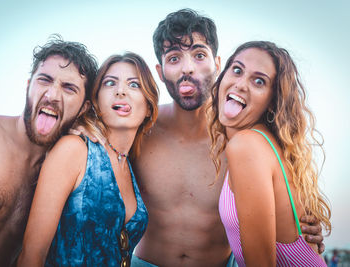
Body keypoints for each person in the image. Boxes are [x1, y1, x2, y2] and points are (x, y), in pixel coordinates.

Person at [130, 9, 326, 267]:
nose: (188, 68)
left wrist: (305, 227)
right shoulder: (139, 129)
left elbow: (287, 200)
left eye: (199, 55)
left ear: (218, 63)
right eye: (174, 58)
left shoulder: (243, 136)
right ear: (160, 70)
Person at [0, 36, 98, 266]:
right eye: (44, 80)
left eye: (69, 88)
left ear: (83, 108)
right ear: (29, 85)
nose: (52, 95)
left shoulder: (63, 175)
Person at [17, 52, 159, 267]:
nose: (120, 91)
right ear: (95, 101)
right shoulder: (75, 149)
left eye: (134, 85)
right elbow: (31, 255)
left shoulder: (129, 164)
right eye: (110, 83)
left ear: (148, 107)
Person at [208, 41, 331, 266]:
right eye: (237, 70)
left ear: (272, 102)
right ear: (222, 76)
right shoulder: (263, 144)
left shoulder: (247, 146)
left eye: (259, 81)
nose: (241, 84)